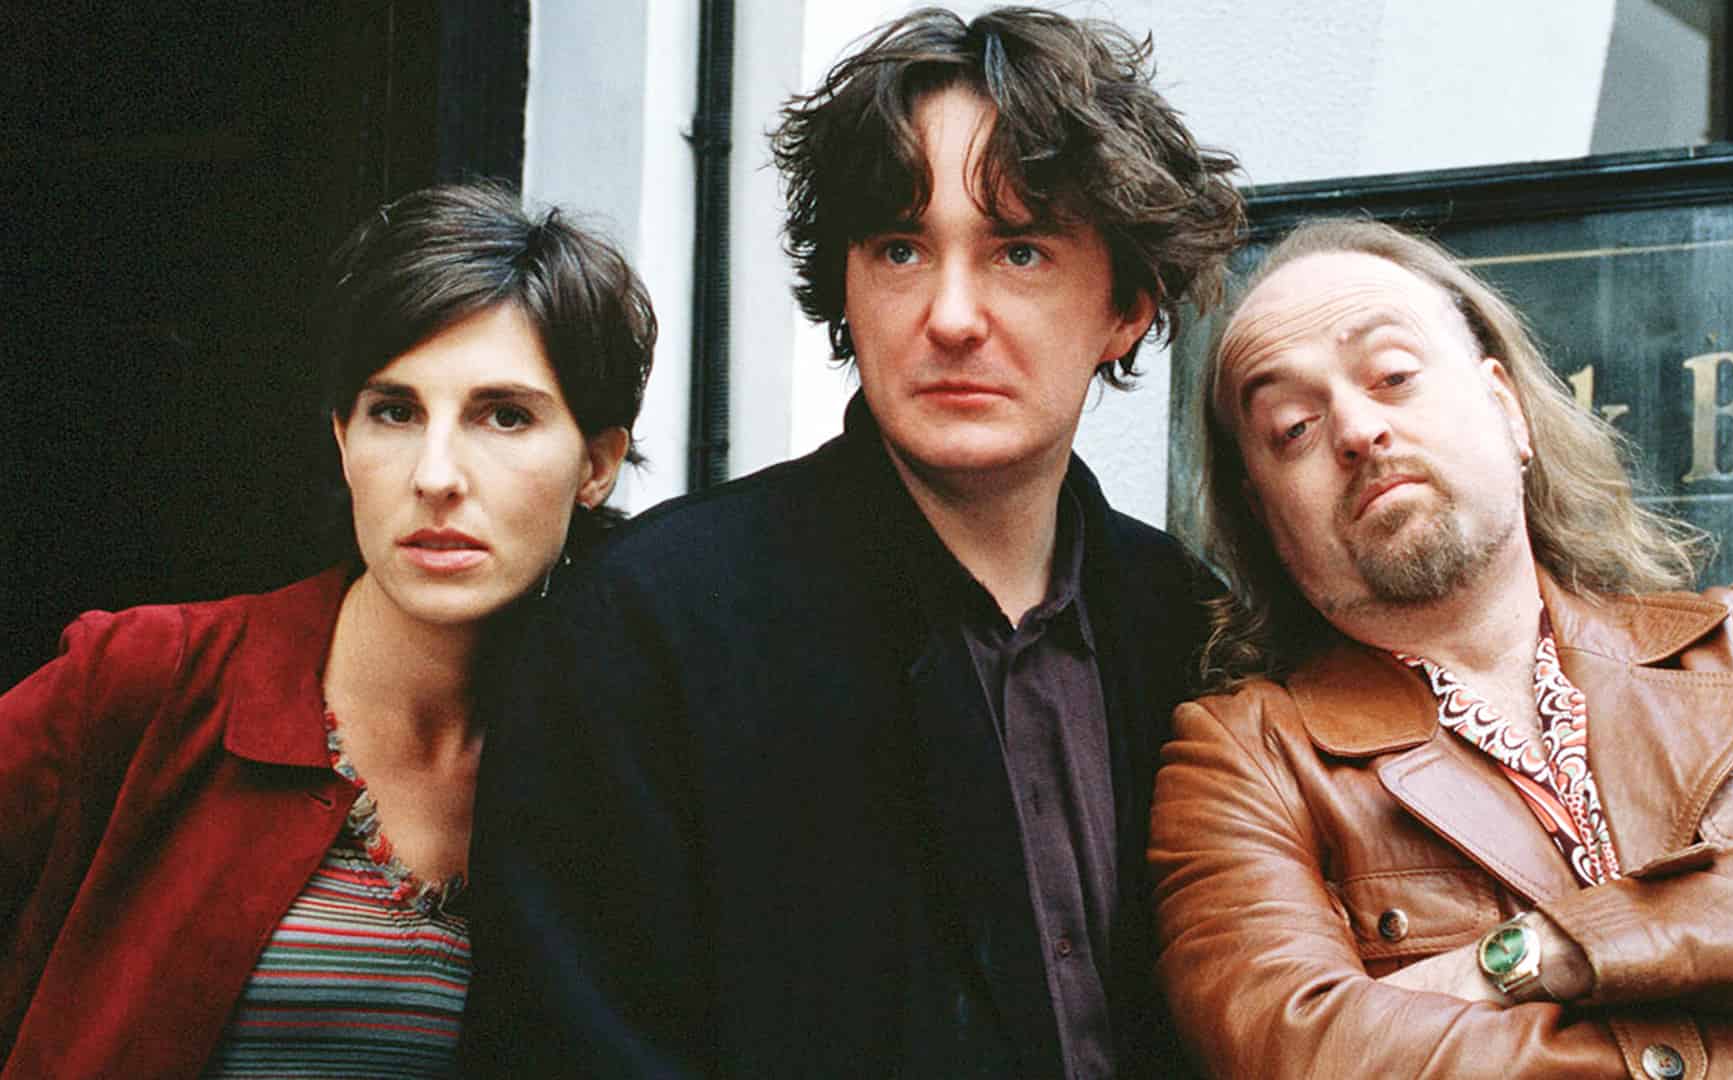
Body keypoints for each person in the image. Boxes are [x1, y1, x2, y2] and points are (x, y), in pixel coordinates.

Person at [460, 7, 1242, 1077]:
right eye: (900, 249)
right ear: (846, 287)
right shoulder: (648, 624)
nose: (953, 315)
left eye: (1018, 250)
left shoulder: (1189, 629)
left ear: (1128, 308)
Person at [1149, 217, 1733, 1078]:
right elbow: (1303, 1057)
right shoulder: (1242, 762)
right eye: (1292, 426)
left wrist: (1538, 954)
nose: (1357, 430)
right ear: (1265, 516)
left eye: (1394, 376)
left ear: (1507, 409)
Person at [0, 182, 655, 1078]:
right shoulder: (153, 676)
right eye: (395, 411)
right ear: (344, 440)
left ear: (597, 465)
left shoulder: (626, 756)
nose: (436, 475)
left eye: (504, 415)